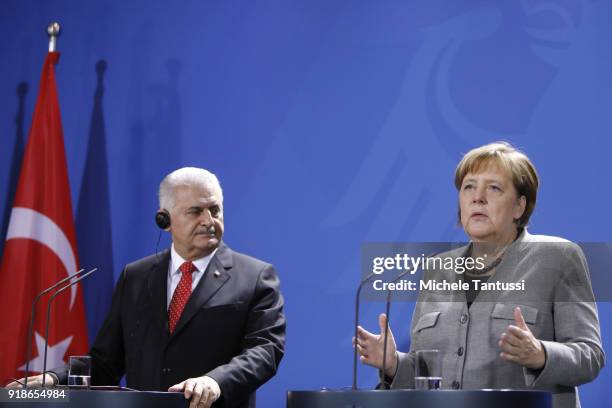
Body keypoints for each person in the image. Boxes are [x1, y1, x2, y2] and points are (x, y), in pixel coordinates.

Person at [9, 167, 286, 408]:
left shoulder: (255, 277)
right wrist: (55, 378)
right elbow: (106, 362)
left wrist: (215, 382)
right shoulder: (136, 276)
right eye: (195, 211)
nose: (208, 220)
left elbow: (264, 351)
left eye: (215, 210)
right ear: (164, 220)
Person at [354, 142, 604, 408]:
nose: (478, 197)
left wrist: (541, 354)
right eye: (469, 187)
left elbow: (590, 356)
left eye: (494, 188)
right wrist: (393, 363)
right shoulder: (438, 268)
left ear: (520, 206)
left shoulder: (558, 257)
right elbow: (428, 374)